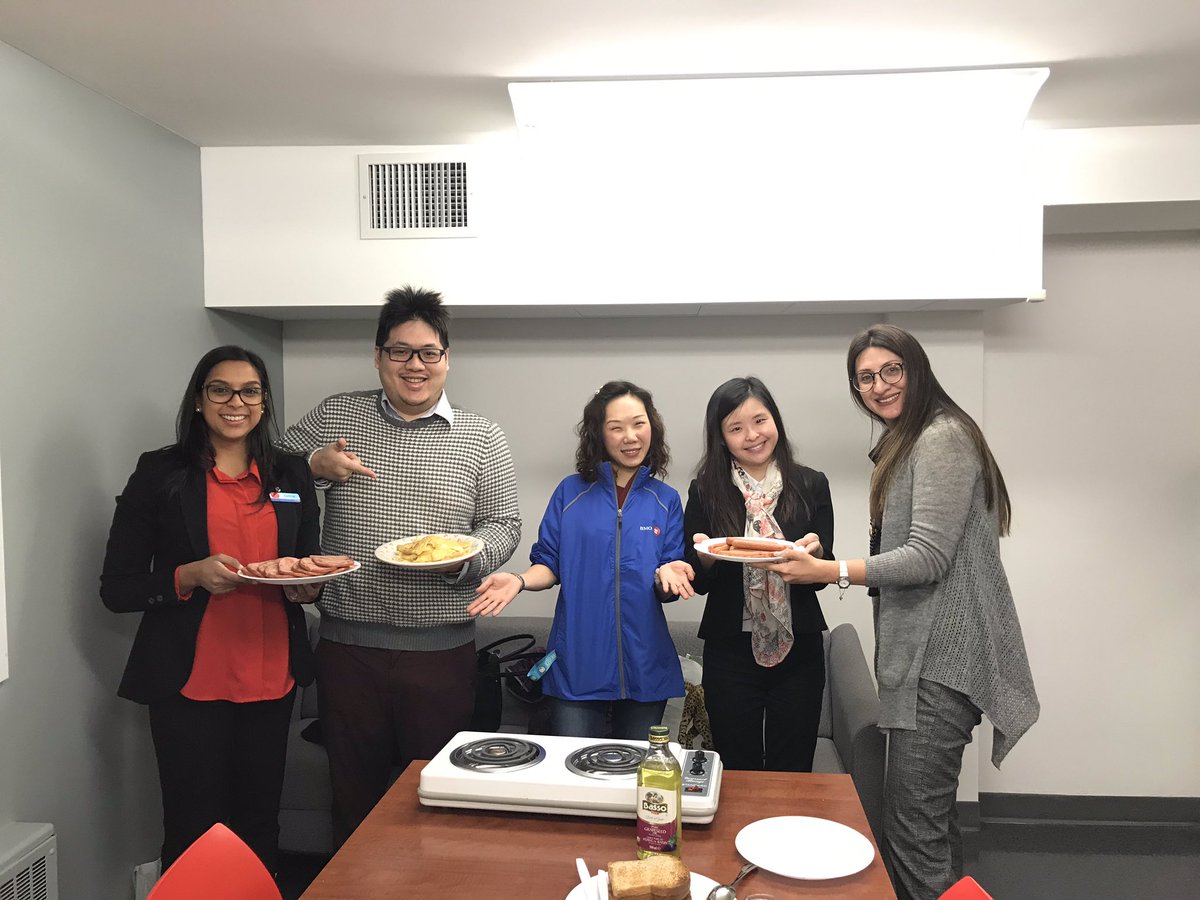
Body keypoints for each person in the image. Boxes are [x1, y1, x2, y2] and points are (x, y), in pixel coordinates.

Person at [763, 324, 1039, 900]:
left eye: (892, 370)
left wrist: (828, 571)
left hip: (939, 661)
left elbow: (927, 557)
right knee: (931, 829)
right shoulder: (909, 441)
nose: (880, 385)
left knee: (912, 837)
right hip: (927, 658)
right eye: (865, 377)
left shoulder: (941, 437)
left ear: (917, 370)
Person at [280, 286, 521, 845]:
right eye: (400, 351)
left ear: (446, 359)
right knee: (352, 800)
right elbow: (268, 478)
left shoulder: (482, 436)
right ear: (378, 356)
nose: (416, 365)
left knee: (436, 804)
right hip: (348, 649)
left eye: (429, 352)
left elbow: (505, 524)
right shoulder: (338, 414)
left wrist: (461, 562)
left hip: (441, 653)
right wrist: (312, 465)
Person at [100, 346, 321, 874]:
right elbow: (117, 588)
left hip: (272, 677)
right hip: (189, 682)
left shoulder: (290, 473)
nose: (235, 403)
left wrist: (307, 588)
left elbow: (307, 562)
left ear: (264, 402)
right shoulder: (160, 472)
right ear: (199, 399)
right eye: (220, 390)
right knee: (192, 827)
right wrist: (188, 576)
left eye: (250, 391)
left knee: (259, 823)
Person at [469, 381, 695, 739]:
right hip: (577, 661)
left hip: (646, 662)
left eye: (639, 424)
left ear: (652, 427)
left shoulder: (665, 500)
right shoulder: (570, 492)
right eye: (616, 427)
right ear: (598, 434)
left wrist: (669, 574)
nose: (630, 436)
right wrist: (519, 580)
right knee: (573, 767)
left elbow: (667, 581)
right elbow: (550, 564)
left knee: (640, 768)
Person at [682, 377, 834, 772]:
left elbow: (821, 575)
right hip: (729, 650)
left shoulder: (811, 484)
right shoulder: (705, 490)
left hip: (799, 647)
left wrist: (816, 557)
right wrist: (707, 557)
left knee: (794, 765)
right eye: (736, 428)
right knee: (735, 766)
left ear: (775, 421)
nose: (752, 435)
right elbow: (698, 581)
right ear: (721, 439)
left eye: (760, 421)